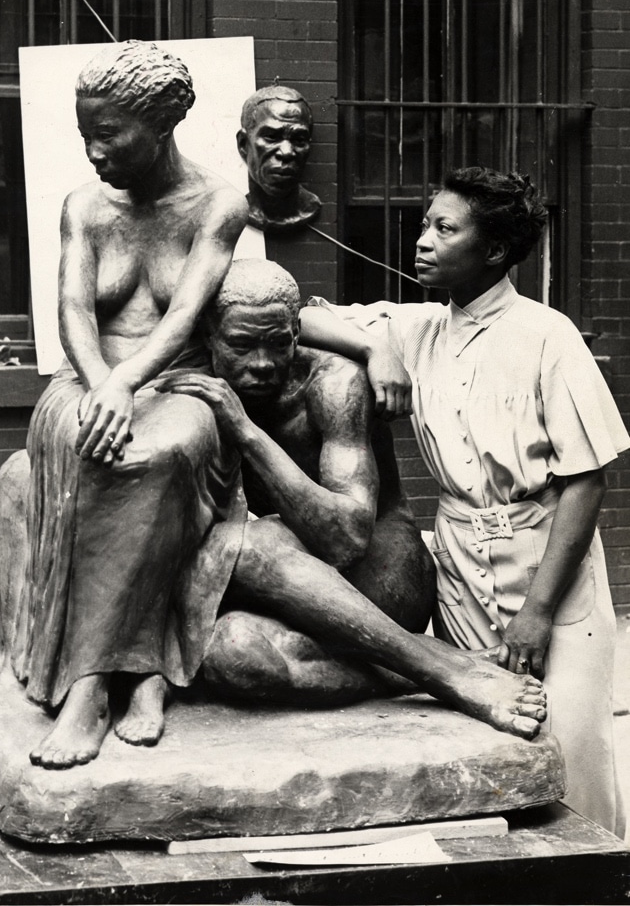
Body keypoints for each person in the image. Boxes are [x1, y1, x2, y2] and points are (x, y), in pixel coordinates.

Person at [299, 167, 630, 836]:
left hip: (549, 570)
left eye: (445, 229)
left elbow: (587, 481)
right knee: (485, 753)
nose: (422, 240)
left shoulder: (548, 335)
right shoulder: (416, 328)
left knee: (571, 755)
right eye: (426, 223)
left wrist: (537, 615)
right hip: (459, 570)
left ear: (497, 252)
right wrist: (370, 346)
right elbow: (291, 316)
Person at [159, 258, 548, 738]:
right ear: (208, 336)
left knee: (243, 545)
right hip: (296, 578)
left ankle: (446, 674)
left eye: (278, 344)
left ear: (296, 334)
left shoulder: (333, 385)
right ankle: (427, 665)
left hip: (383, 573)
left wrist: (247, 433)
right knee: (230, 653)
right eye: (241, 346)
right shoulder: (192, 376)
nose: (262, 364)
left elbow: (346, 537)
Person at [11, 40, 249, 770]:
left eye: (109, 133)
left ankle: (122, 673)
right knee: (95, 442)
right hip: (83, 381)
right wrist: (102, 383)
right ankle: (112, 681)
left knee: (163, 450)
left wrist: (132, 381)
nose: (93, 150)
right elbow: (74, 310)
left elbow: (187, 316)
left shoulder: (218, 204)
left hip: (176, 384)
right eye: (86, 132)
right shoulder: (85, 207)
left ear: (164, 122)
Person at [237, 86, 321, 232]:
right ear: (244, 144)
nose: (286, 152)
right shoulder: (231, 211)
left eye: (299, 139)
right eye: (271, 137)